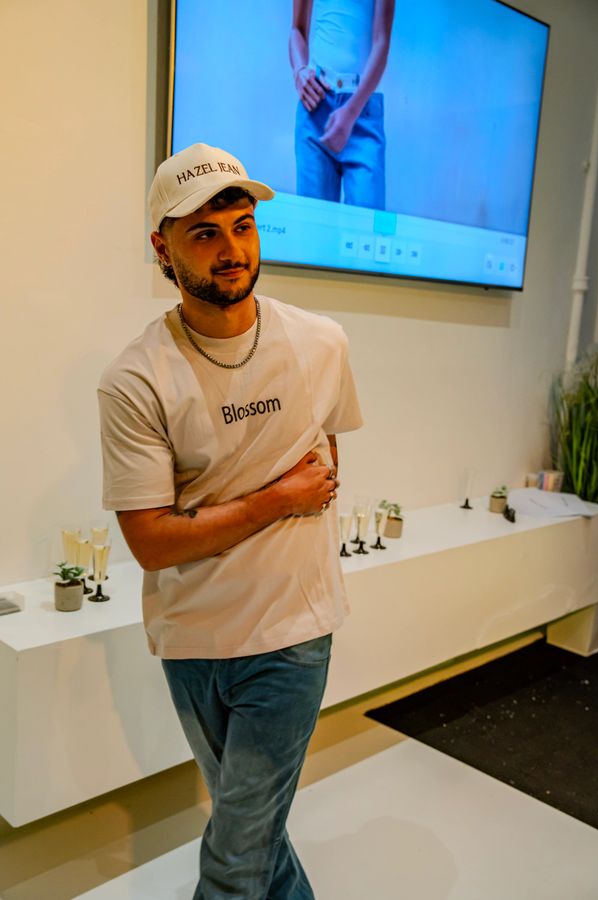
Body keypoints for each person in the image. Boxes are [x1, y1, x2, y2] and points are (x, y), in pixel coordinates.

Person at [97, 142, 362, 899]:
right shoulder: (136, 378)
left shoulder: (322, 343)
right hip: (194, 640)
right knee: (255, 829)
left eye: (242, 227)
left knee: (236, 855)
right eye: (204, 234)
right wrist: (276, 500)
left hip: (292, 633)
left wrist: (249, 510)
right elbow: (150, 542)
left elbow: (328, 469)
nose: (232, 250)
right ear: (163, 249)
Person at [289, 0, 395, 209]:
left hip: (362, 109)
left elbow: (381, 42)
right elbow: (297, 29)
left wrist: (351, 111)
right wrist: (299, 70)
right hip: (315, 104)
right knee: (314, 223)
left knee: (366, 226)